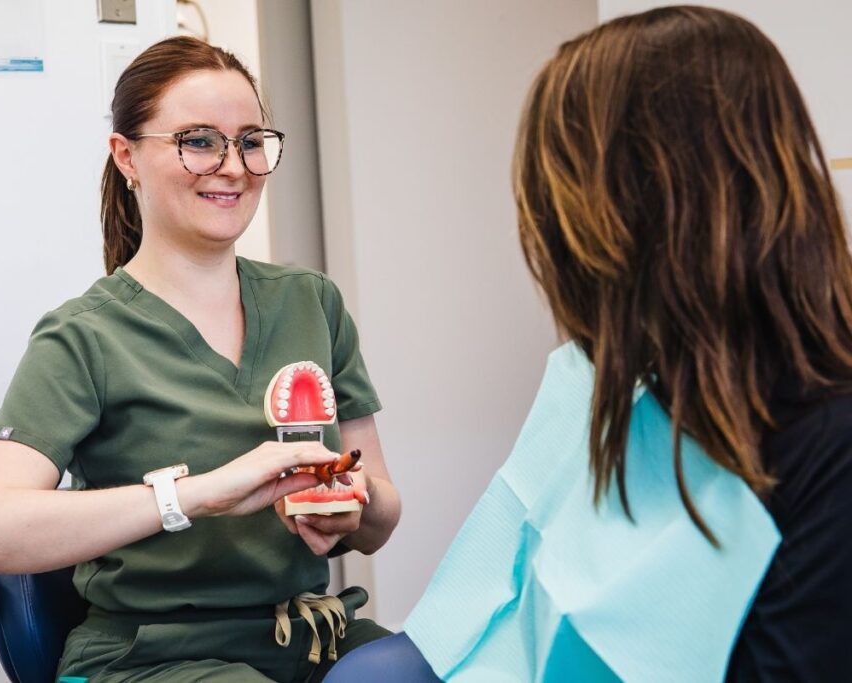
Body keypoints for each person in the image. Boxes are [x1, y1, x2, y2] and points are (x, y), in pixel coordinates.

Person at [329, 6, 852, 682]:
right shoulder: (625, 379)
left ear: (660, 200)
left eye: (567, 192)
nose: (548, 228)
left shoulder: (829, 450)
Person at [0, 36, 400, 683]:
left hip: (314, 636)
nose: (234, 166)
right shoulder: (84, 336)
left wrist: (354, 506)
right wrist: (197, 494)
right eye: (199, 140)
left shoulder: (312, 301)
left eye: (250, 140)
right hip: (153, 656)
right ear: (126, 156)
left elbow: (380, 514)